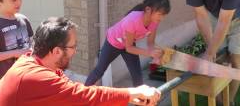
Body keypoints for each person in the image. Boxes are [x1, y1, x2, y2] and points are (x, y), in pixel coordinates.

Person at [0, 17, 161, 106]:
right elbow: (84, 95)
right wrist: (133, 93)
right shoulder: (35, 77)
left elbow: (73, 92)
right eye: (73, 47)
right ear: (56, 51)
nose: (75, 52)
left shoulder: (34, 60)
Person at [85, 0, 170, 86]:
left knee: (137, 76)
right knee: (99, 71)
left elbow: (150, 42)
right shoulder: (132, 20)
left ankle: (141, 99)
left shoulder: (155, 22)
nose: (162, 18)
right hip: (113, 43)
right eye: (160, 14)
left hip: (129, 43)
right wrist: (149, 53)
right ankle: (82, 94)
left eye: (164, 15)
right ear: (148, 9)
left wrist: (154, 54)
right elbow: (129, 48)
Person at [0, 0, 33, 79]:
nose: (19, 2)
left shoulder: (23, 19)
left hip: (26, 75)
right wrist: (15, 53)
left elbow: (32, 43)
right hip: (5, 80)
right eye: (13, 0)